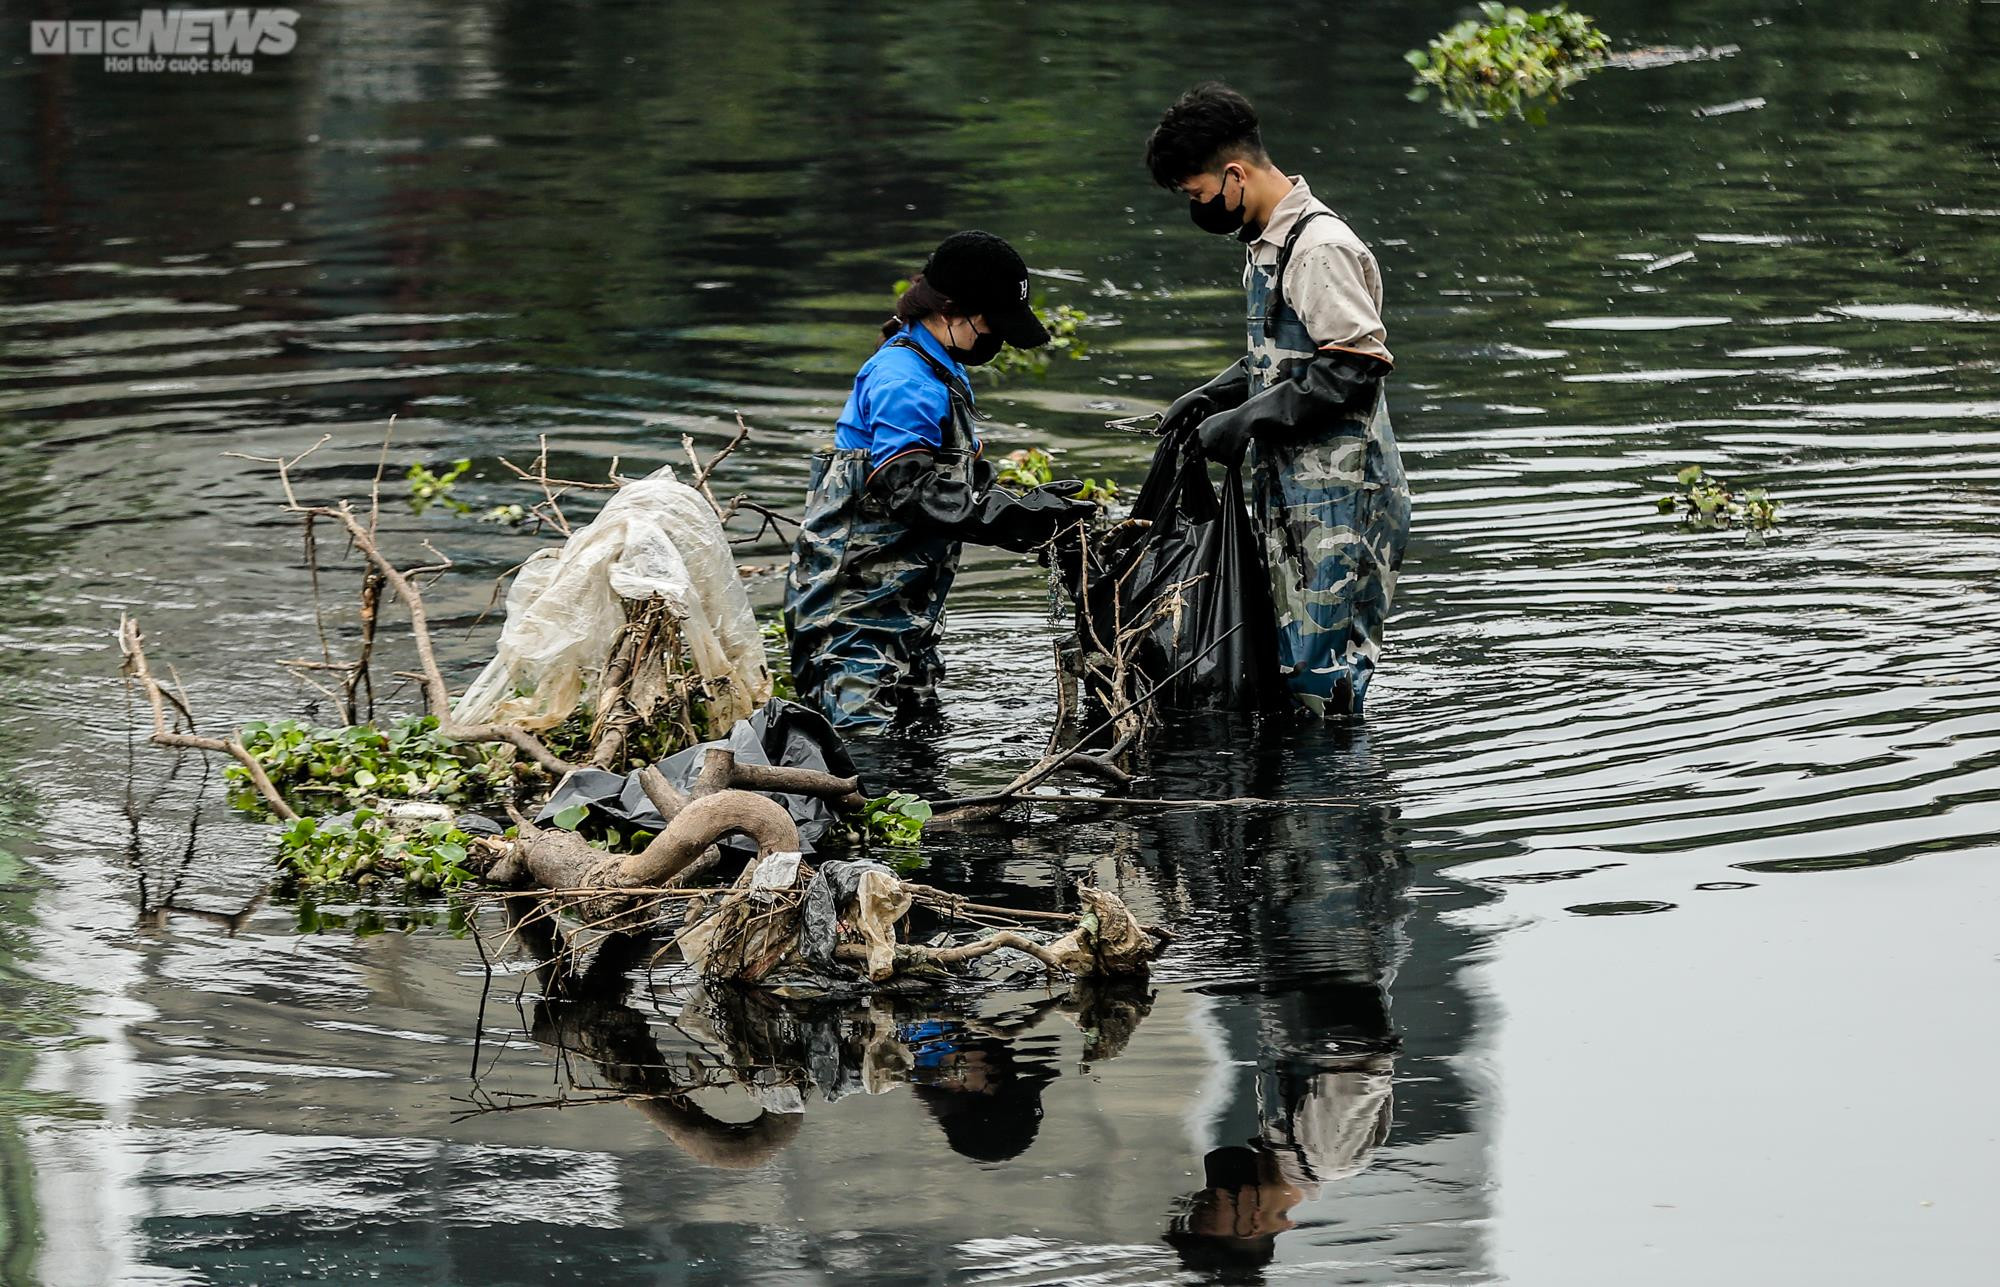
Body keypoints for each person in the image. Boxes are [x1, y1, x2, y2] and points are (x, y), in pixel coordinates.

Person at [1144, 83, 1412, 718]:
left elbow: (1354, 366)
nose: (1199, 208)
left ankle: (1334, 804)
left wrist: (1247, 419)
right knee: (1289, 668)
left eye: (1198, 194)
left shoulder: (1320, 248)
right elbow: (1286, 360)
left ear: (1234, 173)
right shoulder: (1266, 245)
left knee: (1323, 678)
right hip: (1295, 490)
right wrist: (1214, 397)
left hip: (1345, 498)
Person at [784, 231, 1095, 729]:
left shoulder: (938, 367)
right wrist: (1018, 519)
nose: (992, 337)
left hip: (906, 609)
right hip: (855, 615)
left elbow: (951, 477)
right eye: (989, 323)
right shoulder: (903, 379)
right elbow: (910, 489)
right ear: (950, 311)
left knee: (920, 735)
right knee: (860, 752)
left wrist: (1028, 502)